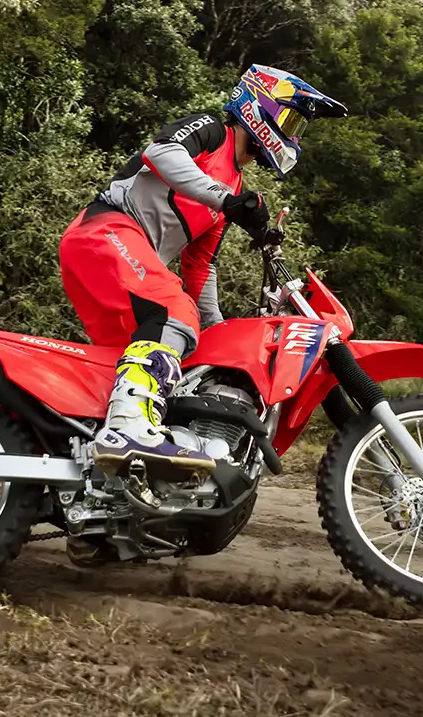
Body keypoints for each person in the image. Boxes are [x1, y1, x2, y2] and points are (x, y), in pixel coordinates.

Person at [57, 63, 347, 479]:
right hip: (105, 231)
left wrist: (218, 330)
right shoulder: (212, 131)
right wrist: (225, 199)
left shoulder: (234, 185)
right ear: (259, 105)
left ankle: (98, 471)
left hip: (114, 260)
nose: (293, 135)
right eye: (290, 120)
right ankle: (127, 428)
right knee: (171, 310)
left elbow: (200, 267)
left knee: (160, 354)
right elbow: (160, 152)